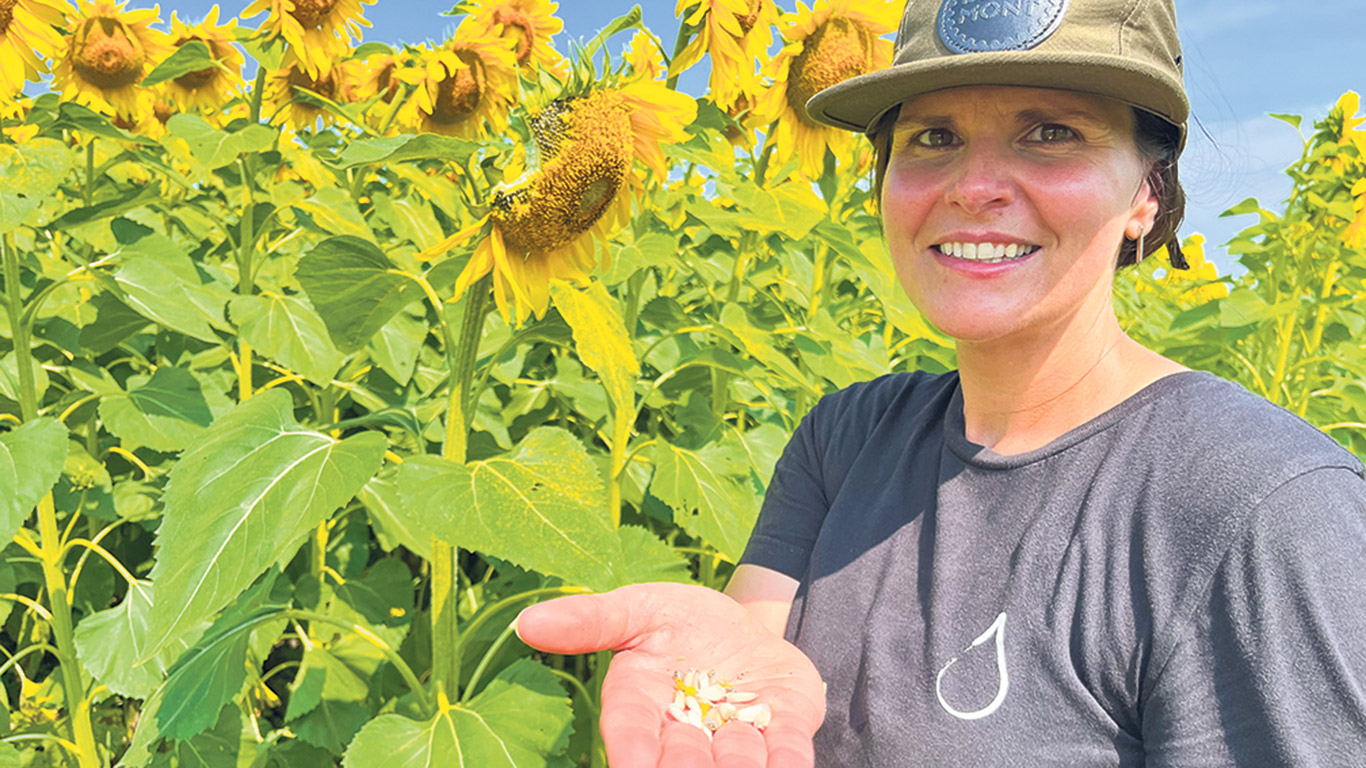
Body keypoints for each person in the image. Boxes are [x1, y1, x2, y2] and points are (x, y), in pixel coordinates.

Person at [517, 0, 1366, 765]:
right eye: (932, 137)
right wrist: (715, 669)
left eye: (1052, 132)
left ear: (1148, 190)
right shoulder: (848, 435)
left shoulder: (1261, 510)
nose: (974, 187)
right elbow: (750, 653)